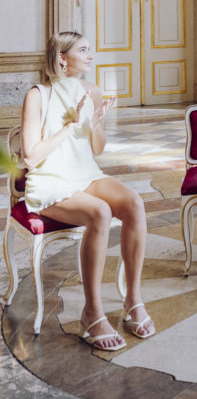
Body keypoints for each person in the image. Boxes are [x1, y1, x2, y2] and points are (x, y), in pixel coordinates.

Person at [21, 32, 153, 351]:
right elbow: (31, 156)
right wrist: (68, 126)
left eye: (90, 49)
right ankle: (92, 312)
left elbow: (97, 149)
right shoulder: (38, 95)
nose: (90, 55)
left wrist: (94, 124)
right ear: (62, 58)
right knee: (100, 211)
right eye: (83, 50)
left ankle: (133, 301)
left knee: (134, 203)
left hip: (85, 174)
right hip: (50, 180)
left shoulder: (91, 91)